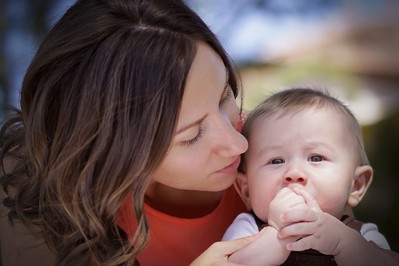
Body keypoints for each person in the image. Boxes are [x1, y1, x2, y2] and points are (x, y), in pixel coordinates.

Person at [0, 0, 259, 265]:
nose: (238, 143)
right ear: (113, 149)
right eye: (191, 136)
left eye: (224, 97)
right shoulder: (56, 215)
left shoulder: (281, 151)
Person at [222, 87, 399, 265]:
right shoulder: (247, 229)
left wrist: (343, 244)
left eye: (316, 158)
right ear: (246, 190)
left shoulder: (363, 235)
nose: (294, 173)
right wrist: (276, 235)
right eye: (276, 161)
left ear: (355, 185)